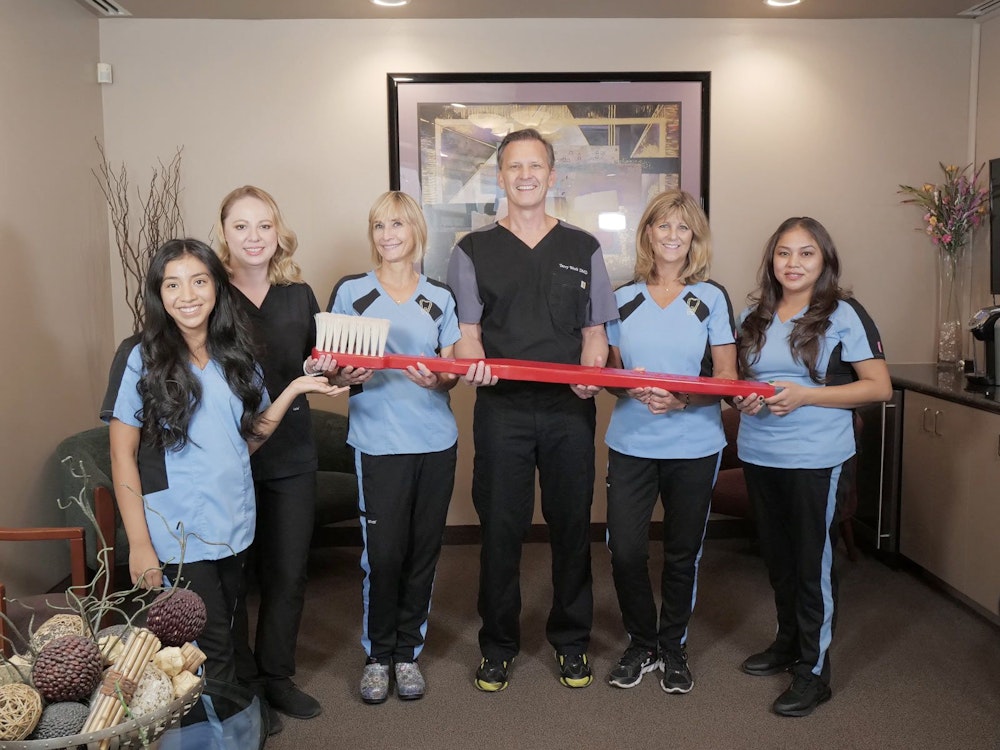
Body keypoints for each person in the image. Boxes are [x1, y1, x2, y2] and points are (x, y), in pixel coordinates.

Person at [102, 239, 346, 687]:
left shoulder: (237, 355)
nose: (187, 295)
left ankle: (241, 710)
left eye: (198, 281)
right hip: (176, 527)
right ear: (158, 294)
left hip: (232, 518)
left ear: (217, 286)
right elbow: (122, 453)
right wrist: (138, 542)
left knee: (233, 624)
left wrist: (293, 389)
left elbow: (246, 440)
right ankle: (228, 720)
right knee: (208, 643)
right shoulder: (139, 356)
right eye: (172, 285)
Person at [446, 128, 618, 692]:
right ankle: (497, 645)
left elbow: (595, 335)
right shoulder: (471, 250)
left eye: (535, 166)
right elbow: (467, 334)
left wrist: (592, 378)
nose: (525, 175)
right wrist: (472, 363)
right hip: (502, 412)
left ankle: (572, 642)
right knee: (501, 528)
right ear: (501, 177)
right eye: (514, 166)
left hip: (570, 411)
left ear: (551, 176)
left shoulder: (582, 247)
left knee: (572, 527)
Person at [732, 217, 891, 717]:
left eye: (805, 254)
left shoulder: (844, 313)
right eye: (783, 253)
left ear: (823, 261)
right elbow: (740, 381)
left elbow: (878, 387)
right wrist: (744, 402)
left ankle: (814, 670)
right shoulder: (752, 315)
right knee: (778, 559)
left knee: (811, 565)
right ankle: (787, 643)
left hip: (816, 458)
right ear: (771, 260)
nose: (793, 263)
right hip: (760, 454)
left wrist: (807, 396)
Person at [324, 191, 460, 704]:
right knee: (383, 556)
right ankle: (378, 654)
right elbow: (333, 369)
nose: (388, 235)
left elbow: (451, 374)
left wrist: (438, 383)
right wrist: (345, 373)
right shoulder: (351, 292)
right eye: (379, 226)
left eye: (398, 225)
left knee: (422, 552)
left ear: (416, 231)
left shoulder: (440, 296)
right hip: (378, 444)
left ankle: (407, 654)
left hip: (434, 443)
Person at [604, 190, 737, 694]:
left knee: (682, 553)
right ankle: (642, 642)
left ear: (695, 238)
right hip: (632, 442)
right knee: (625, 550)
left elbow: (725, 377)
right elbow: (608, 373)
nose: (673, 237)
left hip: (695, 445)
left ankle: (673, 645)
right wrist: (628, 384)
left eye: (683, 229)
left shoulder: (712, 298)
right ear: (648, 234)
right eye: (664, 226)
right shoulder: (621, 297)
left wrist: (683, 400)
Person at [214, 185, 324, 732]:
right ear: (224, 234)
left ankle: (277, 676)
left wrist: (345, 374)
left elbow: (319, 364)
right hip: (228, 456)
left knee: (287, 572)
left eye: (264, 225)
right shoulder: (207, 295)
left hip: (293, 455)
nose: (254, 237)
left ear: (278, 232)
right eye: (241, 226)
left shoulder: (299, 294)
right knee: (231, 574)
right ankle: (241, 683)